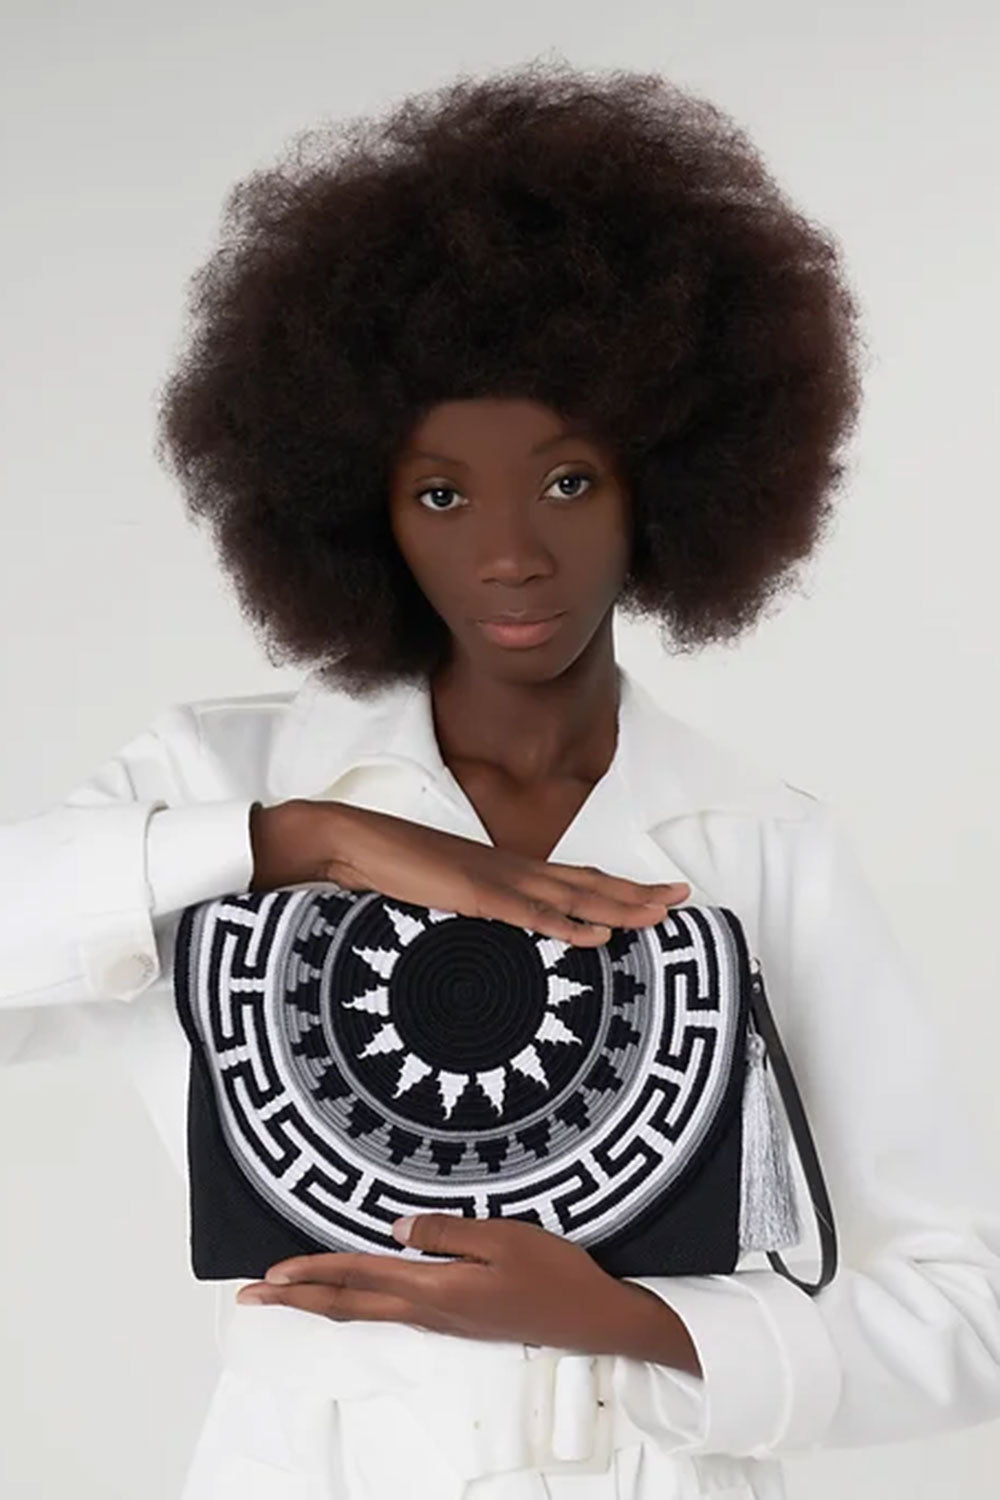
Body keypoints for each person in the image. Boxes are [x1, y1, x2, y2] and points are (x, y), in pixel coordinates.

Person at [3, 55, 1000, 1500]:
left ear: (672, 480)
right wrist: (308, 838)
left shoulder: (760, 841)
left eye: (570, 481)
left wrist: (633, 1325)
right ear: (359, 510)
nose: (513, 553)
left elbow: (969, 1308)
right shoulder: (222, 780)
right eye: (442, 494)